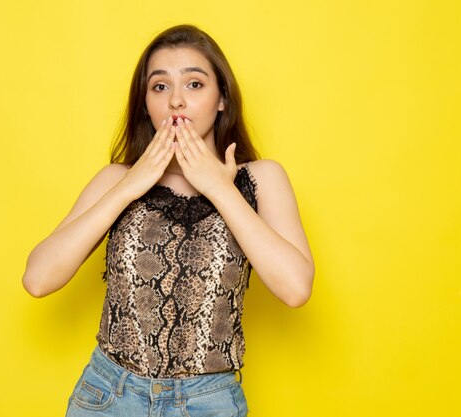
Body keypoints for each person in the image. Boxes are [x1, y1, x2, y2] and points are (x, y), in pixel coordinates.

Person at [22, 24, 314, 417]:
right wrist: (129, 186)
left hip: (210, 402)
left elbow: (296, 289)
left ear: (222, 98)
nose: (176, 101)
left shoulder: (261, 179)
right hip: (109, 397)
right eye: (160, 87)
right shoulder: (117, 179)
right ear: (145, 103)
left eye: (194, 84)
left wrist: (220, 189)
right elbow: (38, 279)